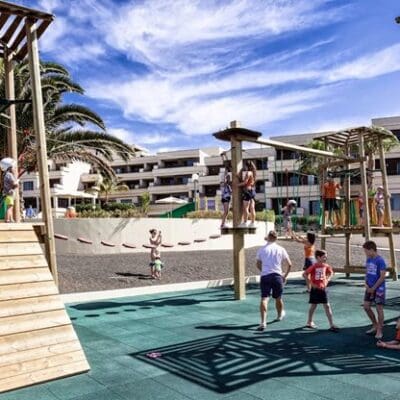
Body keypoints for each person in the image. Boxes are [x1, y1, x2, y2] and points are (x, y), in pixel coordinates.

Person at [256, 230, 292, 331]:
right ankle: (279, 315)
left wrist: (264, 271)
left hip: (265, 276)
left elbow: (258, 264)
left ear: (268, 237)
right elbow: (290, 264)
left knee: (264, 299)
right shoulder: (281, 249)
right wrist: (284, 276)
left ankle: (263, 322)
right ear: (276, 238)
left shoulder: (262, 249)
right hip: (277, 276)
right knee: (278, 298)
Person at [302, 250, 339, 332]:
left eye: (326, 257)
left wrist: (327, 279)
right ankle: (309, 322)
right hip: (315, 289)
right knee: (313, 305)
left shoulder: (326, 266)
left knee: (327, 306)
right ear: (318, 257)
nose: (326, 258)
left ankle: (331, 324)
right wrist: (312, 283)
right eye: (324, 257)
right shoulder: (314, 266)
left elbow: (331, 272)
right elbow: (304, 274)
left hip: (323, 289)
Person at [363, 240, 386, 340]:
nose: (365, 253)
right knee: (366, 306)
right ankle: (375, 325)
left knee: (378, 308)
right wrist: (366, 285)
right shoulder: (368, 259)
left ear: (372, 250)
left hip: (379, 288)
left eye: (366, 251)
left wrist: (374, 288)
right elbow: (367, 273)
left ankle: (380, 330)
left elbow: (382, 276)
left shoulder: (380, 261)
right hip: (369, 287)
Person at [237, 160, 257, 227]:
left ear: (247, 166)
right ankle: (252, 223)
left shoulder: (248, 173)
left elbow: (245, 182)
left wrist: (237, 185)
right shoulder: (253, 173)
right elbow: (248, 182)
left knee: (245, 208)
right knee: (252, 208)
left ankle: (245, 222)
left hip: (247, 191)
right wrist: (239, 177)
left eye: (245, 166)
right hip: (252, 191)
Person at [220, 153, 232, 228]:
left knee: (227, 211)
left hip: (228, 198)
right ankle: (223, 224)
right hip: (225, 198)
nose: (229, 179)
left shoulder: (228, 185)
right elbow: (225, 174)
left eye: (229, 178)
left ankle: (224, 223)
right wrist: (224, 158)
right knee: (226, 211)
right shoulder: (224, 184)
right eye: (228, 178)